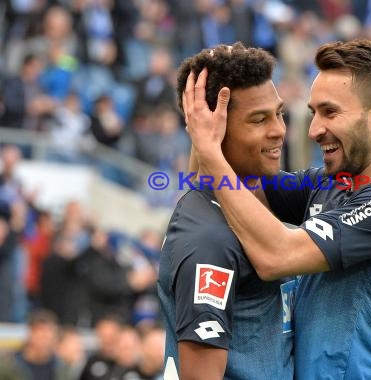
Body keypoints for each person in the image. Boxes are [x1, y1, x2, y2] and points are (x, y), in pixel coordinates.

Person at [185, 39, 371, 379]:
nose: (314, 129)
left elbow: (277, 256)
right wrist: (217, 103)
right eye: (313, 112)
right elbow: (214, 186)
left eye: (330, 112)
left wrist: (211, 153)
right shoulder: (326, 183)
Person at [157, 43, 294, 379]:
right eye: (259, 119)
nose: (279, 130)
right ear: (215, 132)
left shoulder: (250, 197)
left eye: (279, 113)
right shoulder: (208, 241)